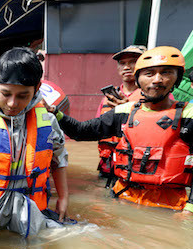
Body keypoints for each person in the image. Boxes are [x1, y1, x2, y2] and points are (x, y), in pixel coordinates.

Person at [56, 46, 193, 214]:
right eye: (149, 74)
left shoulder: (188, 115)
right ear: (138, 79)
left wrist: (190, 209)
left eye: (166, 73)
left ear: (177, 78)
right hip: (123, 199)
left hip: (171, 207)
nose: (157, 80)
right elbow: (80, 131)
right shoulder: (124, 112)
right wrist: (55, 113)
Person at [0, 47, 69, 237]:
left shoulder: (47, 120)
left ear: (36, 89)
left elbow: (59, 158)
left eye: (23, 96)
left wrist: (63, 197)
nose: (13, 103)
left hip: (30, 209)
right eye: (6, 94)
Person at [96, 45, 146, 179]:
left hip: (138, 169)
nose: (126, 67)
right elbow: (96, 129)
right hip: (108, 167)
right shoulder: (108, 99)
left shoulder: (157, 97)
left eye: (132, 62)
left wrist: (129, 110)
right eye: (122, 63)